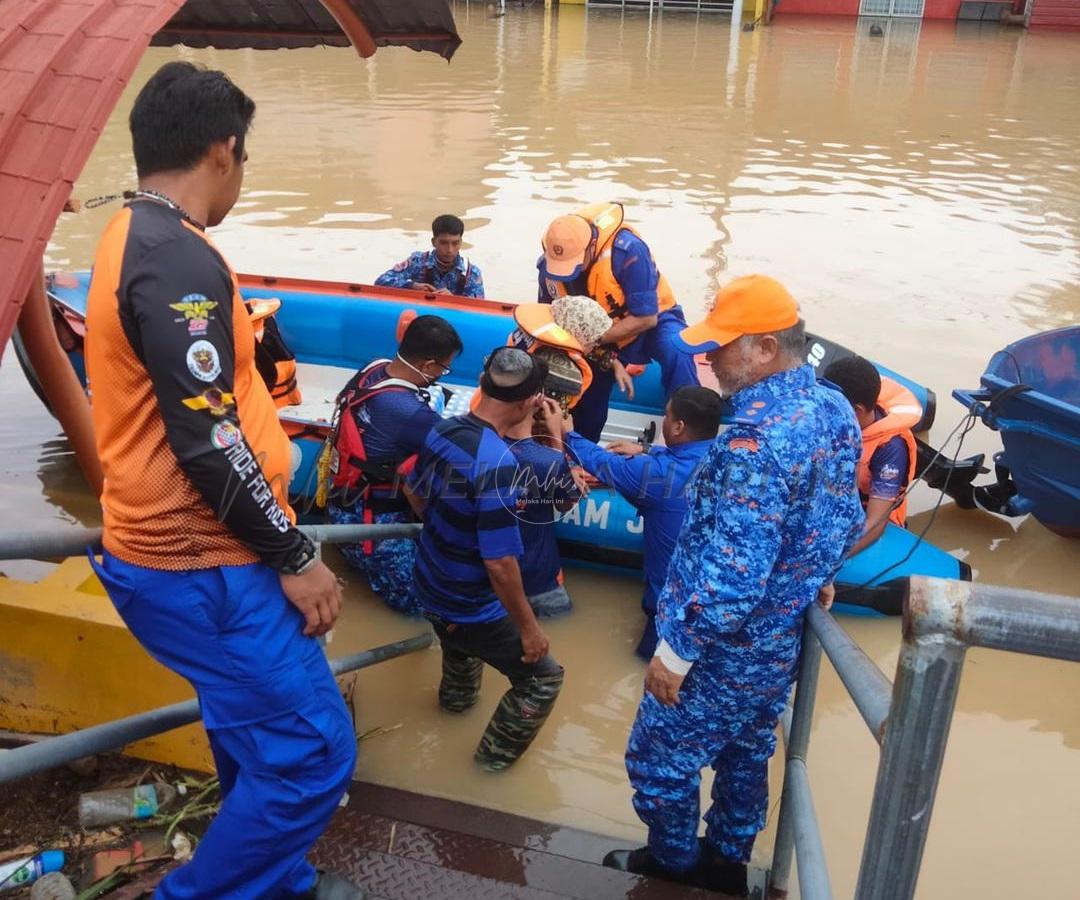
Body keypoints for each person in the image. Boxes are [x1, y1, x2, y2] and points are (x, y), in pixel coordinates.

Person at [83, 63, 366, 899]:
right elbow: (209, 440)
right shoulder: (174, 257)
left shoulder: (133, 237)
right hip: (205, 563)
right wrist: (294, 553)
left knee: (256, 741)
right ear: (225, 150)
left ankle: (277, 882)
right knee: (315, 754)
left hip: (194, 558)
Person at [602, 275, 865, 895]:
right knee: (746, 753)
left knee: (658, 763)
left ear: (766, 348)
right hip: (779, 643)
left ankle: (672, 867)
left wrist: (676, 651)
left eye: (723, 346)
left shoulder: (753, 439)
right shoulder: (832, 407)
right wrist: (819, 576)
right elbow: (841, 514)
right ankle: (726, 863)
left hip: (724, 647)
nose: (708, 357)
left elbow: (733, 575)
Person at [405, 348, 564, 771]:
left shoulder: (444, 430)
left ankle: (453, 709)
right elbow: (499, 565)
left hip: (429, 582)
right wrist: (530, 631)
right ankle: (487, 768)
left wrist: (448, 535)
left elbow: (413, 490)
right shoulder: (498, 463)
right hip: (468, 602)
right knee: (545, 678)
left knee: (459, 646)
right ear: (531, 401)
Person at [542, 386, 722, 659]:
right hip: (712, 604)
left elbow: (601, 462)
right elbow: (682, 458)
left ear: (678, 427)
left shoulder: (657, 476)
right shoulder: (726, 457)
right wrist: (647, 449)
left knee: (649, 670)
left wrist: (566, 433)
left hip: (672, 615)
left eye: (667, 416)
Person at [326, 315, 463, 616]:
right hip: (372, 523)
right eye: (443, 368)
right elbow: (466, 449)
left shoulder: (374, 368)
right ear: (428, 366)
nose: (442, 374)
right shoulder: (407, 412)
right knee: (426, 608)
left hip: (342, 504)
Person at [537, 202, 699, 441]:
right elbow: (550, 320)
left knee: (677, 350)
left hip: (652, 319)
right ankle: (581, 449)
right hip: (592, 334)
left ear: (591, 247)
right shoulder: (549, 266)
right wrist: (609, 359)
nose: (569, 273)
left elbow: (646, 318)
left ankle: (688, 436)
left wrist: (597, 341)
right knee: (590, 391)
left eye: (574, 265)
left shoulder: (628, 251)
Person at [824, 355, 918, 555]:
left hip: (869, 516)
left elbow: (875, 523)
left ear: (856, 410)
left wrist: (827, 565)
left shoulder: (891, 449)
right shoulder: (836, 419)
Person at [504, 400, 583, 618]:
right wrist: (557, 438)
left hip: (494, 580)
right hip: (541, 581)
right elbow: (566, 501)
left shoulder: (480, 447)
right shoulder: (547, 460)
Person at [375, 213, 485, 298]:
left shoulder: (471, 273)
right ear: (433, 242)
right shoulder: (417, 262)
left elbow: (480, 307)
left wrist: (453, 299)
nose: (449, 250)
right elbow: (381, 281)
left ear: (461, 242)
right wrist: (412, 286)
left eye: (455, 243)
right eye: (444, 243)